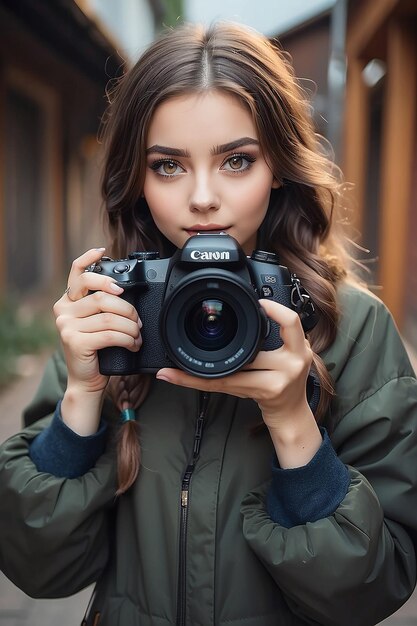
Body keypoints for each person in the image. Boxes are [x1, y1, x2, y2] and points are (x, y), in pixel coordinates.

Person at [0, 21, 416, 626]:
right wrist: (82, 398)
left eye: (236, 161)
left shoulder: (350, 327)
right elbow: (39, 569)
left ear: (278, 166)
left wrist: (294, 424)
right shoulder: (114, 312)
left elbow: (372, 591)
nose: (202, 198)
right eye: (168, 166)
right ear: (137, 180)